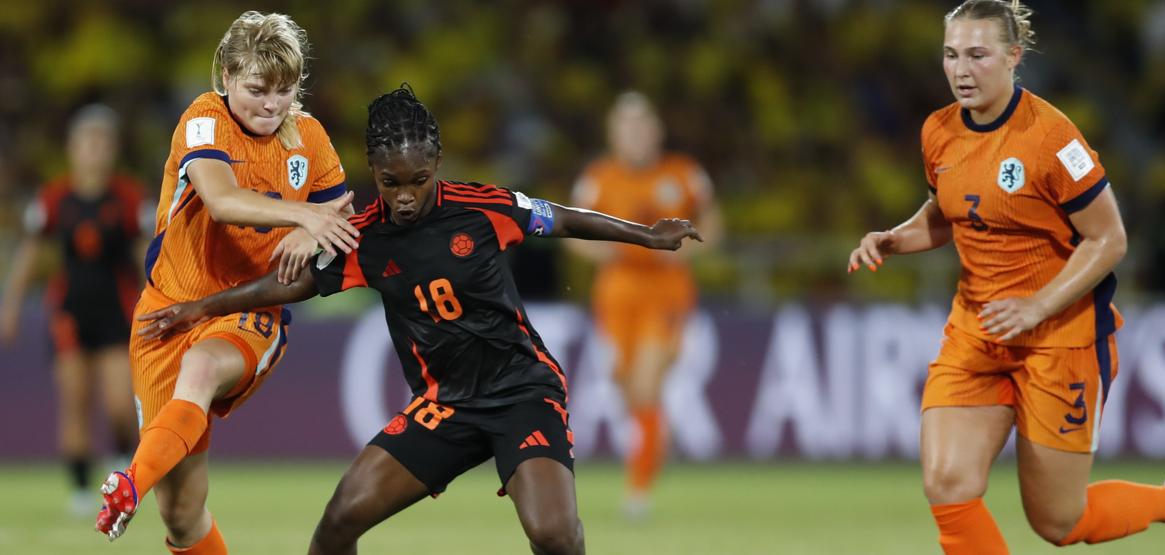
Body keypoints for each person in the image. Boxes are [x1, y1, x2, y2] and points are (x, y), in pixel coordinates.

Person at [135, 85, 703, 555]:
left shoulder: (486, 208)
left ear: (437, 165)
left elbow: (566, 219)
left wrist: (647, 235)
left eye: (417, 180)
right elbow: (297, 282)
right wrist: (202, 307)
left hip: (521, 393)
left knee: (554, 534)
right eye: (390, 183)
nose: (404, 197)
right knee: (338, 524)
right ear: (373, 171)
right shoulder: (365, 238)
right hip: (444, 406)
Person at [846, 1, 1165, 553]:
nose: (961, 70)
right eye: (950, 55)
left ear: (1014, 56)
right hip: (978, 330)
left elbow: (1109, 239)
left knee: (1058, 523)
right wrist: (895, 238)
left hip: (1058, 339)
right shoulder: (939, 131)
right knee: (947, 483)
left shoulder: (1052, 138)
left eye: (977, 55)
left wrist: (1037, 306)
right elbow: (947, 214)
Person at [94, 11, 360, 552]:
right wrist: (303, 217)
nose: (271, 104)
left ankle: (128, 485)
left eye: (285, 91)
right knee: (183, 514)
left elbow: (343, 215)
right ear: (226, 77)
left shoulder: (308, 137)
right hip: (165, 315)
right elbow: (220, 200)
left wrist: (314, 233)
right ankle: (145, 488)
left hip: (248, 310)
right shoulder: (202, 119)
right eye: (258, 89)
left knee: (204, 365)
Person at [567, 91, 721, 517]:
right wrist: (606, 252)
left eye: (641, 125)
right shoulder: (599, 178)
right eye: (625, 126)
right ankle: (656, 438)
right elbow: (573, 231)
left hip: (666, 290)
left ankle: (638, 493)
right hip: (616, 292)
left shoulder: (683, 173)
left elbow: (712, 220)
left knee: (647, 381)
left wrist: (691, 247)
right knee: (627, 386)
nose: (634, 134)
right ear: (614, 134)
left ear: (655, 131)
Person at [0, 104, 144, 517]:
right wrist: (10, 305)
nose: (95, 150)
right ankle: (81, 490)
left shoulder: (129, 198)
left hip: (118, 315)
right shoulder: (54, 199)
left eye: (103, 142)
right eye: (88, 142)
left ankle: (121, 466)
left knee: (120, 405)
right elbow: (30, 253)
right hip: (69, 314)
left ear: (113, 149)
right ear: (73, 148)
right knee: (75, 403)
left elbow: (142, 258)